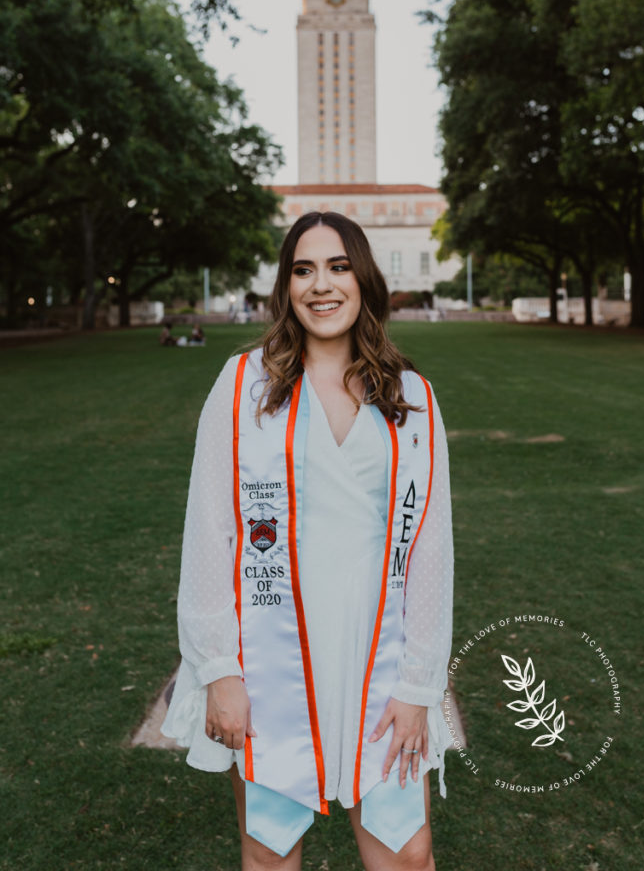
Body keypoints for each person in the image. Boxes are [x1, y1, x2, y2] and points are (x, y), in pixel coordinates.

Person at [162, 211, 454, 871]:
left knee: (407, 855)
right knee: (270, 857)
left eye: (337, 267)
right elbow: (210, 531)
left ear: (363, 280)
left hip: (379, 658)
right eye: (303, 270)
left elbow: (430, 549)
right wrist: (219, 670)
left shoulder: (411, 400)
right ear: (286, 287)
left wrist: (418, 686)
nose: (320, 285)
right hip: (271, 663)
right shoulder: (243, 387)